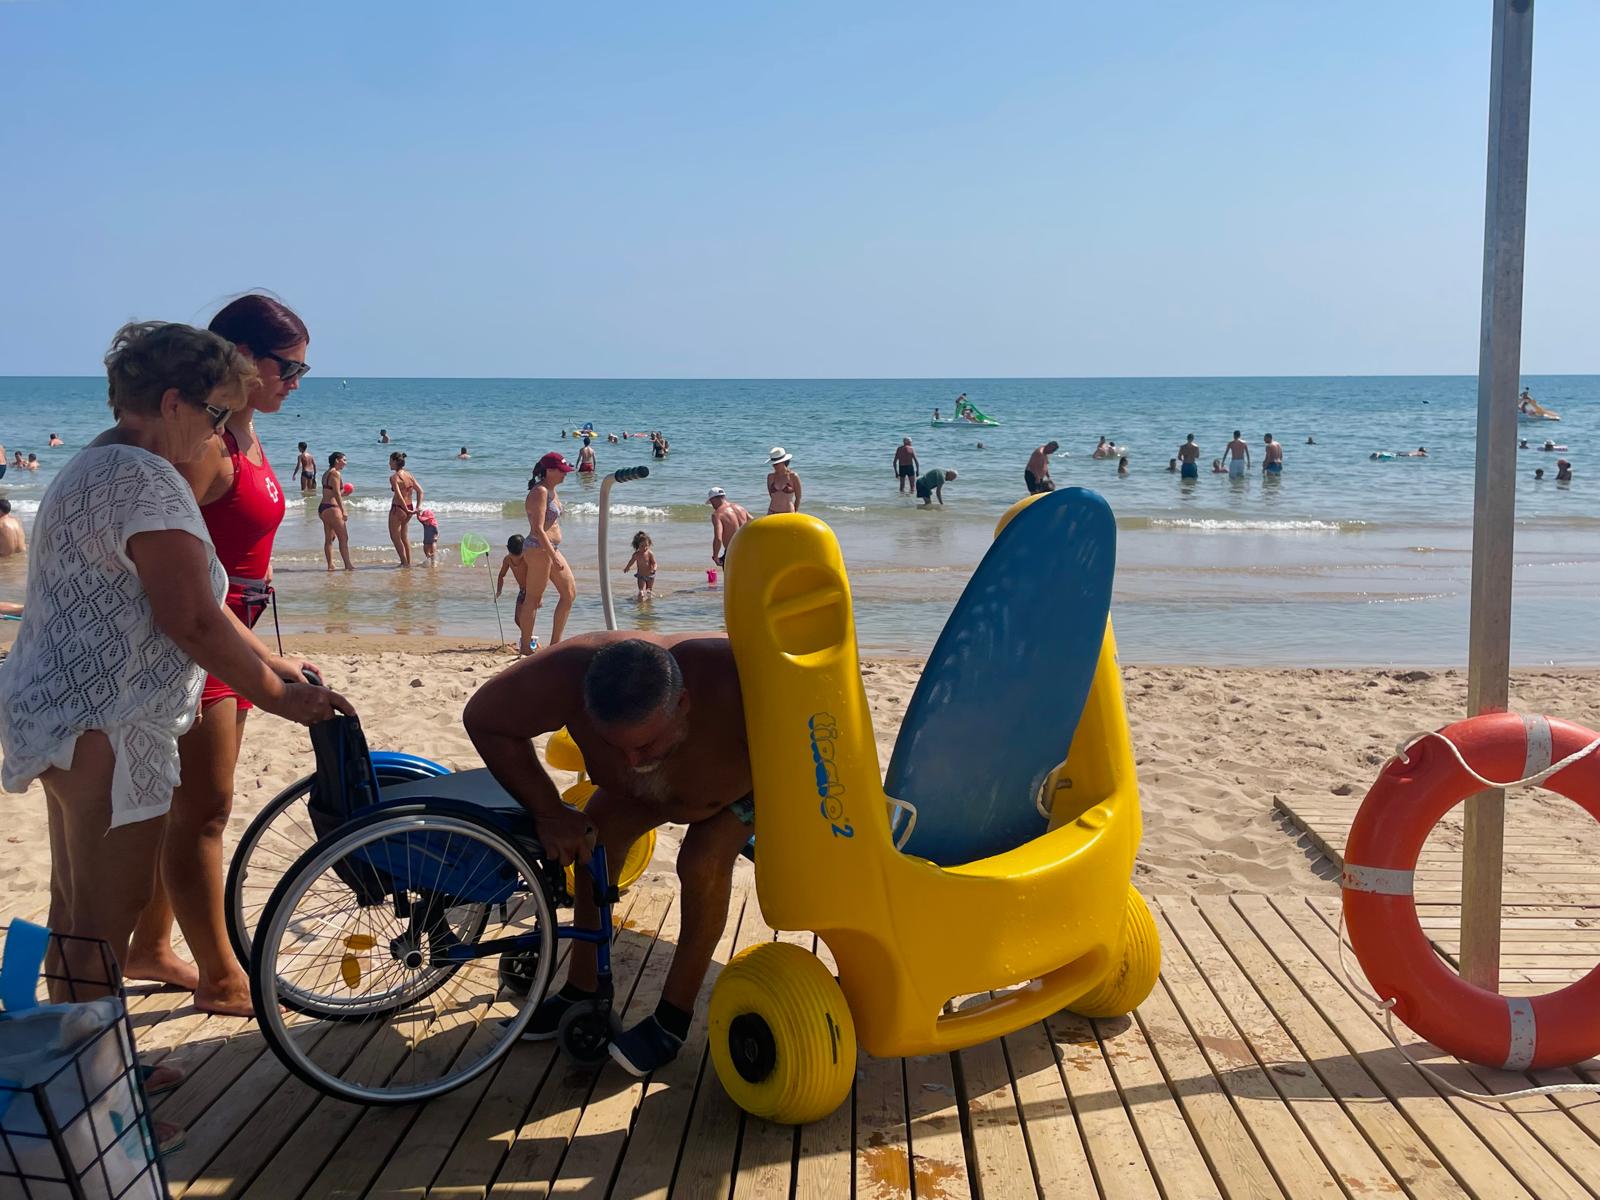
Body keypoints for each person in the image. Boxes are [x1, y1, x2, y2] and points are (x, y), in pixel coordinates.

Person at [0, 324, 347, 1152]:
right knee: (101, 924)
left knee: (73, 907)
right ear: (171, 403)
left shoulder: (92, 460)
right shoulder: (148, 481)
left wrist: (265, 658)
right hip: (108, 726)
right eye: (218, 416)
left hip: (56, 712)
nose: (224, 435)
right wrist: (276, 693)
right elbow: (188, 616)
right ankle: (88, 1108)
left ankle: (84, 1063)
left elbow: (193, 601)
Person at [124, 293, 313, 1015]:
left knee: (195, 809)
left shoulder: (248, 433)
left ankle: (148, 946)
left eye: (303, 368)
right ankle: (222, 978)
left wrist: (265, 655)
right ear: (240, 358)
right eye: (288, 367)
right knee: (204, 812)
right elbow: (169, 564)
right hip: (198, 646)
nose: (296, 381)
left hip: (235, 642)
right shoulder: (206, 447)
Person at [464, 635, 755, 1074]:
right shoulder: (568, 672)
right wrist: (548, 810)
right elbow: (484, 718)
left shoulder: (738, 676)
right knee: (592, 837)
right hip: (640, 796)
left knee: (701, 859)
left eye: (646, 745)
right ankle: (582, 992)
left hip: (739, 794)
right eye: (614, 746)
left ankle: (673, 1017)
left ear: (683, 705)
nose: (631, 759)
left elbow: (820, 745)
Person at [518, 452, 577, 654]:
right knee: (533, 599)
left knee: (569, 594)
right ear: (550, 470)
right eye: (562, 471)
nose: (565, 475)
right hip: (538, 549)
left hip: (550, 549)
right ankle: (525, 647)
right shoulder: (540, 492)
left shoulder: (552, 490)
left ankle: (555, 646)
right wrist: (552, 556)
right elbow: (538, 529)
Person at [319, 452, 354, 570]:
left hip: (323, 507)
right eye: (344, 460)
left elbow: (331, 492)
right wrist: (343, 510)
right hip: (332, 509)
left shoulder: (326, 473)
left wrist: (345, 493)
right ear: (337, 460)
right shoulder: (335, 473)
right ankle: (348, 565)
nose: (346, 462)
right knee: (343, 538)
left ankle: (330, 565)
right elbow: (336, 494)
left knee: (329, 539)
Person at [387, 450, 423, 566]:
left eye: (390, 461)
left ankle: (403, 562)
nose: (389, 463)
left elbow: (398, 495)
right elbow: (420, 491)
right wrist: (417, 507)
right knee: (404, 536)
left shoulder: (394, 477)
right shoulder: (409, 475)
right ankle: (408, 561)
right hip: (409, 507)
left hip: (399, 508)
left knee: (395, 537)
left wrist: (406, 509)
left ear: (394, 461)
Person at [496, 534, 531, 638]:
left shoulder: (527, 559)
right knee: (517, 619)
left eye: (518, 556)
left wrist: (539, 595)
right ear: (508, 549)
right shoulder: (507, 560)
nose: (515, 558)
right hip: (522, 591)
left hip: (532, 590)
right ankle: (528, 637)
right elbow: (501, 575)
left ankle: (528, 639)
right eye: (513, 555)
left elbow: (538, 576)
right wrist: (499, 590)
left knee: (527, 619)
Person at [707, 487, 751, 567]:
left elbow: (718, 538)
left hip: (733, 551)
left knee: (733, 578)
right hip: (747, 548)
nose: (712, 506)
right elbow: (754, 523)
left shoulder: (717, 514)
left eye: (711, 502)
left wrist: (715, 556)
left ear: (713, 499)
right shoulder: (740, 508)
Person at [765, 447, 801, 514]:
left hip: (789, 513)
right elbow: (772, 496)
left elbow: (798, 498)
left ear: (784, 462)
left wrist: (795, 512)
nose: (774, 466)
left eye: (776, 464)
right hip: (772, 512)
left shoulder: (793, 476)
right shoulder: (770, 477)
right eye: (773, 464)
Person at [623, 531, 657, 600]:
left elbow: (654, 563)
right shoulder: (636, 555)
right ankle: (640, 602)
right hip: (641, 576)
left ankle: (648, 601)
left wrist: (654, 568)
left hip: (650, 575)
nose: (644, 548)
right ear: (637, 545)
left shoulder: (650, 553)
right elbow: (631, 561)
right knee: (641, 591)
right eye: (642, 546)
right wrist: (627, 567)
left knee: (649, 591)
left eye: (646, 546)